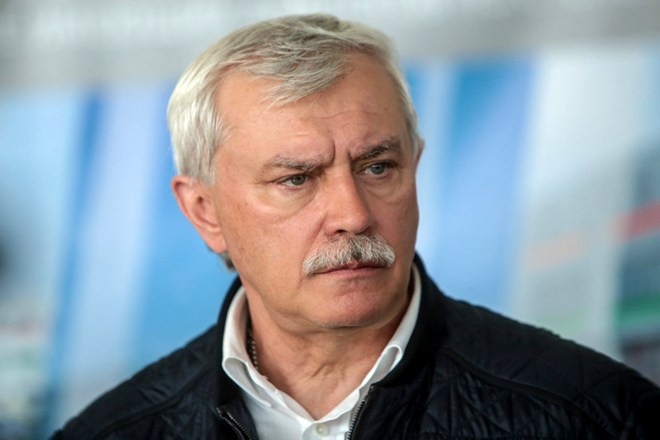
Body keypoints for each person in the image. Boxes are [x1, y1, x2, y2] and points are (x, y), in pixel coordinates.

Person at [53, 13, 660, 439]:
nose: (353, 214)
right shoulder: (110, 432)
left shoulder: (602, 415)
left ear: (414, 166)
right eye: (296, 179)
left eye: (377, 167)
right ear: (205, 212)